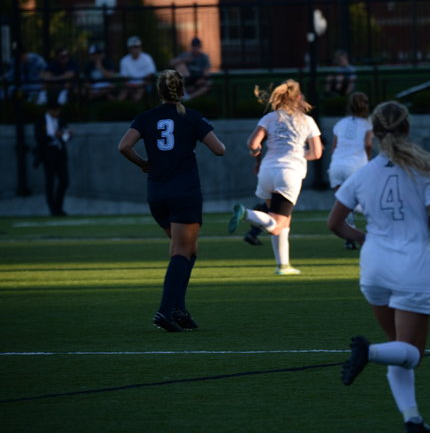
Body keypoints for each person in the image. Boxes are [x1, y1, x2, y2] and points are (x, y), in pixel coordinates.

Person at [327, 101, 430, 433]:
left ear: (375, 132)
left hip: (374, 267)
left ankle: (413, 420)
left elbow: (335, 223)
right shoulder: (422, 170)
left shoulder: (362, 174)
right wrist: (418, 221)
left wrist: (362, 237)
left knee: (398, 347)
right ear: (407, 128)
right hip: (411, 267)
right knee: (413, 352)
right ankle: (368, 352)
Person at [118, 69, 225, 332]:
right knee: (181, 251)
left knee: (189, 250)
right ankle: (165, 311)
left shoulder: (146, 117)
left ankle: (179, 309)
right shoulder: (191, 116)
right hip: (185, 191)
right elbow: (219, 149)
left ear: (159, 91)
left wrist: (143, 163)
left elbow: (124, 146)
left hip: (157, 193)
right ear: (182, 90)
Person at [228, 79, 323, 275]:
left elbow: (252, 143)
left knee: (281, 221)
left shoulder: (270, 117)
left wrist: (256, 151)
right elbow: (316, 153)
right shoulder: (307, 121)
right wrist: (300, 155)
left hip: (267, 171)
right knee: (277, 225)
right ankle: (246, 214)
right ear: (298, 98)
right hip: (289, 173)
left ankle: (283, 265)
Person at [327, 91, 373, 249]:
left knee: (343, 201)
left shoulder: (340, 123)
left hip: (337, 165)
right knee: (362, 201)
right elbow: (368, 144)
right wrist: (368, 159)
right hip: (356, 165)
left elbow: (334, 147)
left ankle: (350, 237)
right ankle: (379, 219)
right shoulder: (367, 124)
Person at [33, 98, 73, 216]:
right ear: (49, 110)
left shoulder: (61, 120)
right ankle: (53, 208)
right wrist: (54, 136)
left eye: (58, 110)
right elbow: (39, 138)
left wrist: (68, 135)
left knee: (64, 180)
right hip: (47, 153)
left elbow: (66, 138)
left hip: (59, 152)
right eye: (54, 110)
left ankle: (58, 206)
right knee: (50, 182)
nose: (56, 113)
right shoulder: (41, 121)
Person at [118, 36, 156, 102]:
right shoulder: (124, 60)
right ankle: (118, 107)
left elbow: (150, 77)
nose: (136, 49)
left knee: (138, 94)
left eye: (138, 46)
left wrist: (139, 85)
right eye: (134, 47)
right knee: (122, 95)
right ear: (129, 48)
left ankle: (134, 106)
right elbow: (124, 78)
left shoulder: (147, 58)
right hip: (130, 85)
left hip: (144, 85)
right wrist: (131, 85)